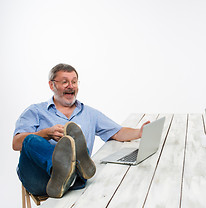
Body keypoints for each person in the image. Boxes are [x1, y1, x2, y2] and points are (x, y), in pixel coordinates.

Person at [13, 63, 149, 198]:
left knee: (71, 143)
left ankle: (72, 174)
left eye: (74, 82)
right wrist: (46, 133)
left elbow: (117, 132)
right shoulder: (35, 111)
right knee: (30, 139)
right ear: (52, 85)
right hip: (40, 178)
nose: (70, 86)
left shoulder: (89, 113)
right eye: (65, 82)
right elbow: (16, 143)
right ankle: (64, 171)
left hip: (74, 182)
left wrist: (139, 133)